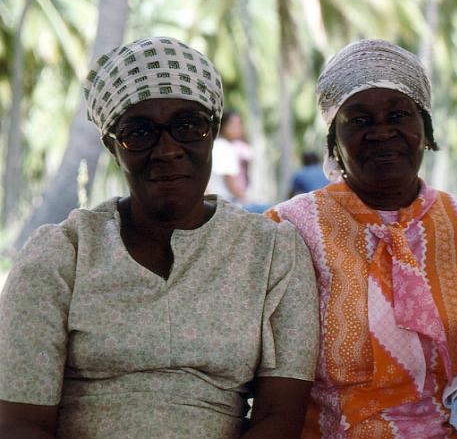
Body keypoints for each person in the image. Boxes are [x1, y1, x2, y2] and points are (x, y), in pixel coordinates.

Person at [0, 37, 319, 439]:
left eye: (189, 126)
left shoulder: (272, 251)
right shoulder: (61, 256)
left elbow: (279, 418)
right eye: (139, 132)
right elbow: (21, 424)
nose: (167, 150)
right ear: (112, 147)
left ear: (213, 133)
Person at [268, 39, 457, 439]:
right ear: (332, 142)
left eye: (398, 115)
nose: (382, 132)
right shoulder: (291, 228)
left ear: (424, 129)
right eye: (359, 120)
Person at [207, 111, 268, 213]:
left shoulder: (218, 145)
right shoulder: (224, 148)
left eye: (239, 124)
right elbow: (232, 187)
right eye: (233, 124)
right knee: (267, 209)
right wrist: (251, 200)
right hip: (224, 203)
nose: (238, 128)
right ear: (223, 126)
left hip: (220, 202)